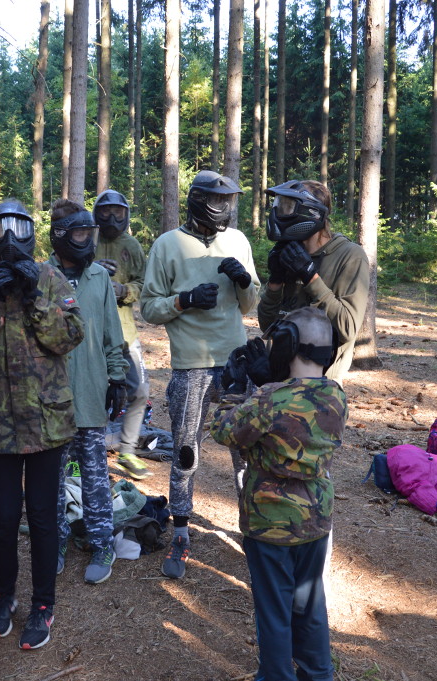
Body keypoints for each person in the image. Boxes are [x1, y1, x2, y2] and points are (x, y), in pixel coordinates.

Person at [0, 199, 85, 650]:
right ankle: (2, 597)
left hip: (47, 422)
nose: (9, 239)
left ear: (30, 233)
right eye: (0, 230)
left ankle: (43, 603)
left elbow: (68, 337)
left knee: (44, 518)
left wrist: (33, 296)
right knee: (3, 519)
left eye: (17, 229)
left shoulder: (49, 277)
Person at [209, 306, 347, 681]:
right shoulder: (336, 396)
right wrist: (269, 383)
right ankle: (319, 674)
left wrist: (232, 390)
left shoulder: (269, 400)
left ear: (288, 345)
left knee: (273, 611)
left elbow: (224, 431)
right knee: (309, 605)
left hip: (269, 524)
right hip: (315, 522)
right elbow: (296, 407)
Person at [140, 169, 260, 579]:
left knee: (246, 451)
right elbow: (149, 308)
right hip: (190, 365)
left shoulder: (238, 241)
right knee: (186, 450)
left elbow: (249, 304)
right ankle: (180, 530)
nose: (223, 208)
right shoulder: (167, 245)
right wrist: (185, 300)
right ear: (197, 201)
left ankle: (252, 531)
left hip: (236, 363)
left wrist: (242, 280)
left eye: (228, 201)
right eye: (217, 200)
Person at [47, 199, 129, 584]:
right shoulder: (42, 276)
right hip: (51, 397)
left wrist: (117, 378)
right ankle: (55, 540)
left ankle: (101, 542)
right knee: (51, 479)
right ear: (61, 236)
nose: (86, 241)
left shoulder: (98, 278)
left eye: (88, 233)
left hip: (92, 392)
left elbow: (113, 334)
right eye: (79, 234)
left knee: (96, 476)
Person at [257, 179, 368, 384]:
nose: (278, 213)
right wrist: (275, 281)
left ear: (311, 212)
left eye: (287, 207)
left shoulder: (350, 255)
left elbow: (347, 328)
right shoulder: (289, 252)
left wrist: (310, 277)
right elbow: (267, 325)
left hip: (320, 386)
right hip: (279, 379)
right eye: (278, 205)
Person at [92, 189, 152, 480]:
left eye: (118, 212)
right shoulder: (86, 239)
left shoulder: (131, 245)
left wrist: (124, 291)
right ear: (96, 213)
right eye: (105, 212)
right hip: (90, 333)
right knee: (94, 395)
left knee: (139, 391)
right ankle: (89, 454)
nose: (112, 218)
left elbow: (144, 283)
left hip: (125, 332)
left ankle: (127, 450)